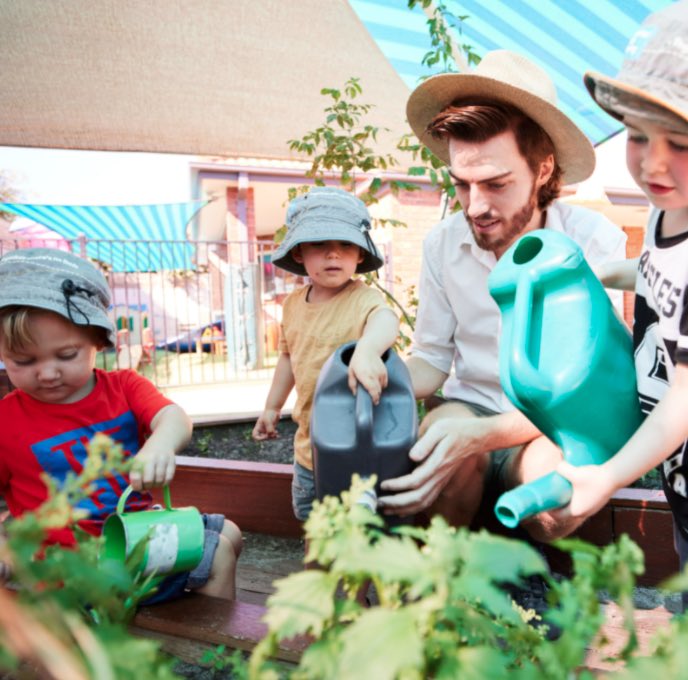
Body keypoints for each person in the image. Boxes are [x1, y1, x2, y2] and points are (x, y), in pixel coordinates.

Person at [377, 50, 628, 544]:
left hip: (551, 423)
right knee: (438, 449)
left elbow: (591, 392)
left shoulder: (593, 242)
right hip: (468, 405)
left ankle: (523, 567)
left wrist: (488, 437)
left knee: (559, 497)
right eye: (462, 185)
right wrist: (376, 377)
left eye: (496, 184)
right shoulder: (443, 243)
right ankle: (441, 577)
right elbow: (430, 358)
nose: (476, 207)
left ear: (542, 169)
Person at [0, 248, 242, 602]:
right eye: (23, 361)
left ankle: (168, 616)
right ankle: (211, 647)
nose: (48, 373)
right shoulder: (6, 421)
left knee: (231, 533)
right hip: (76, 564)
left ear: (98, 340)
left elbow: (174, 418)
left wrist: (160, 443)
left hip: (135, 528)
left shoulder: (124, 387)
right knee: (217, 552)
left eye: (67, 355)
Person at [552, 1, 688, 605]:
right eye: (637, 136)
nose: (653, 161)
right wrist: (606, 269)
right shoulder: (669, 208)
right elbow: (662, 276)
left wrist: (607, 477)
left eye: (680, 142)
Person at [252, 187, 399, 523]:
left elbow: (386, 321)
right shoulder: (291, 305)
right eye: (320, 243)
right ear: (300, 252)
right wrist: (272, 407)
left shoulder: (362, 300)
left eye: (346, 244)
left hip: (357, 449)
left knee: (359, 530)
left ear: (360, 254)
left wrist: (367, 351)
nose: (334, 253)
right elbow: (289, 359)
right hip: (309, 448)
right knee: (312, 522)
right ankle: (318, 570)